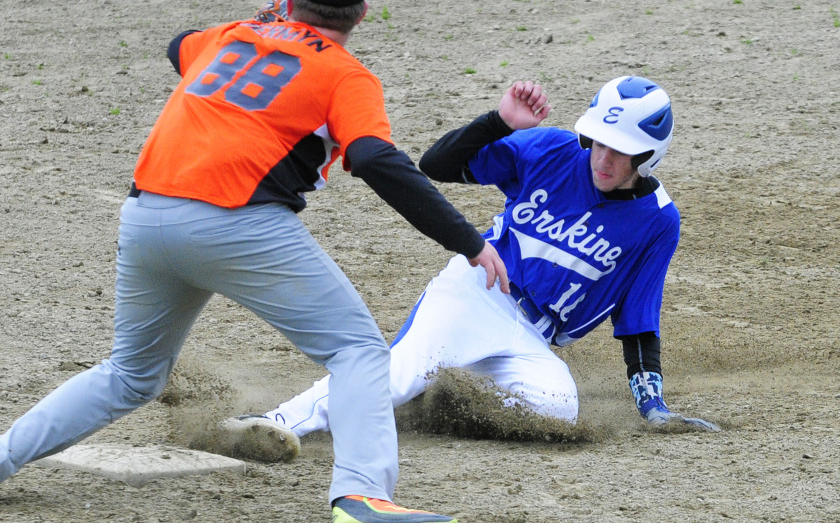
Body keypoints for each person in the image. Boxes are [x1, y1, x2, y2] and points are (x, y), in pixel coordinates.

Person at [0, 0, 516, 523]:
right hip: (238, 224)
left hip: (146, 219)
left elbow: (175, 45)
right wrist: (467, 241)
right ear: (362, 13)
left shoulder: (227, 37)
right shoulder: (348, 75)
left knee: (130, 375)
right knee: (358, 352)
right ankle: (363, 495)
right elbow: (374, 158)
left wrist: (269, 18)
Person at [221, 75, 720, 461]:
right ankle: (274, 420)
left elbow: (637, 318)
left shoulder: (657, 222)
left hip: (531, 337)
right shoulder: (551, 149)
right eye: (599, 141)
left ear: (650, 156)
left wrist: (653, 406)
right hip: (478, 291)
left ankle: (435, 395)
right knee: (399, 373)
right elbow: (437, 164)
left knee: (557, 409)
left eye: (621, 150)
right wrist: (499, 122)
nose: (603, 158)